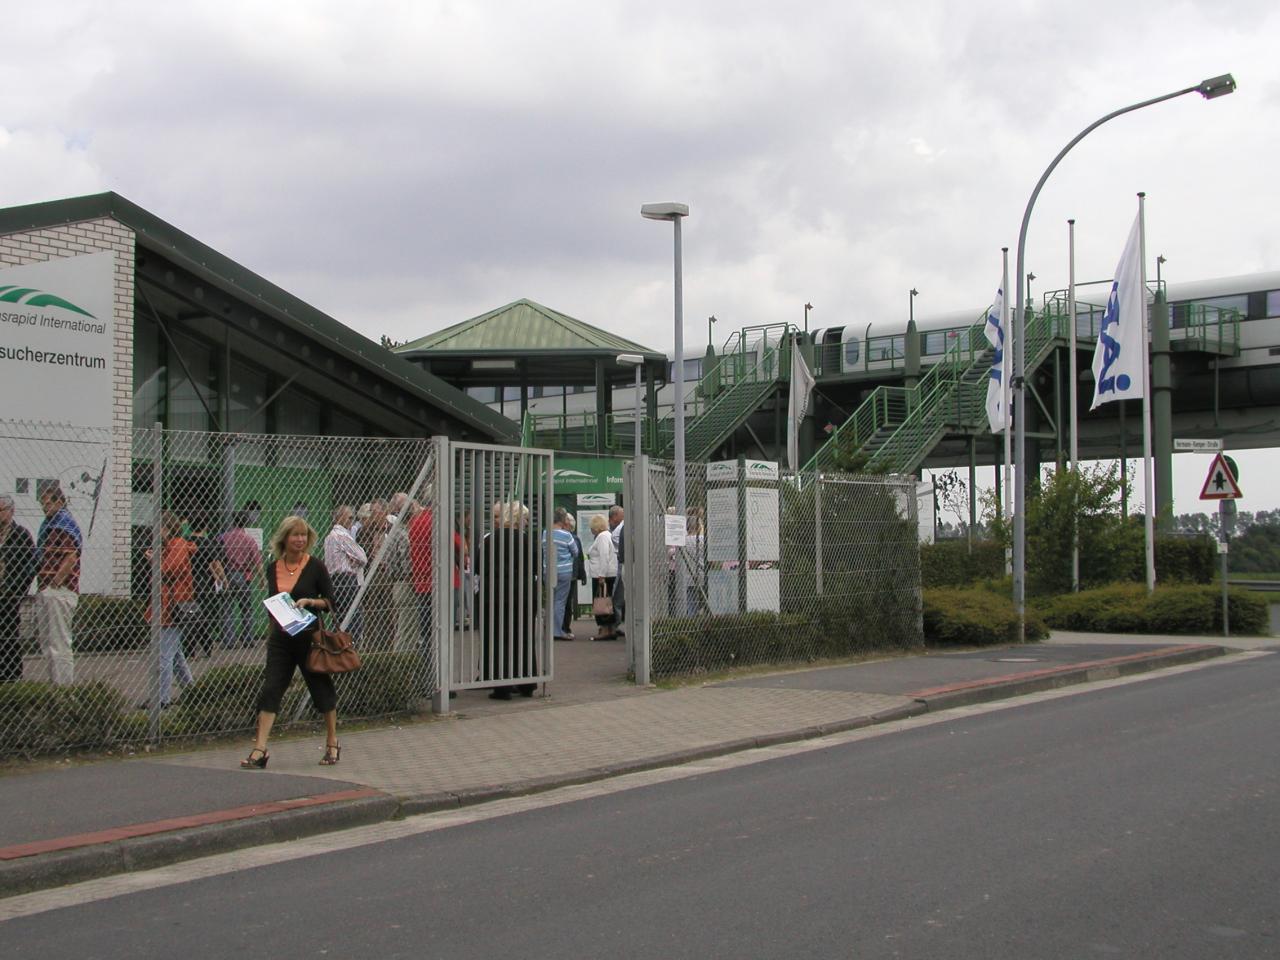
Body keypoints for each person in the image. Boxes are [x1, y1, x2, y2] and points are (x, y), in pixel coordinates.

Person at [242, 515, 339, 769]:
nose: (299, 539)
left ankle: (332, 742)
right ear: (284, 538)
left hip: (309, 638)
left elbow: (330, 601)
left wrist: (310, 602)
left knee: (321, 690)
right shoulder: (273, 567)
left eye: (303, 535)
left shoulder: (316, 566)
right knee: (270, 689)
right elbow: (272, 599)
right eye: (295, 535)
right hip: (281, 639)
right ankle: (259, 749)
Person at [474, 500, 537, 699]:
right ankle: (527, 681)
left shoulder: (489, 540)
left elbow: (477, 567)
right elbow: (535, 567)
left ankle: (501, 685)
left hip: (493, 596)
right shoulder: (527, 540)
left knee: (495, 639)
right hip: (523, 596)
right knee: (523, 637)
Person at [142, 511, 196, 708]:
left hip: (172, 606)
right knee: (175, 654)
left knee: (164, 655)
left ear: (167, 528)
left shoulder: (178, 545)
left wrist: (154, 560)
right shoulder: (171, 546)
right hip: (168, 604)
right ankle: (192, 692)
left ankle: (161, 699)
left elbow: (169, 569)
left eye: (160, 528)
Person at [34, 482, 80, 685]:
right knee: (49, 642)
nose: (45, 508)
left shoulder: (64, 524)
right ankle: (55, 684)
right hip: (48, 588)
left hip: (59, 590)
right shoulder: (50, 525)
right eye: (42, 504)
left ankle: (63, 687)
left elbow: (71, 557)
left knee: (59, 642)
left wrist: (56, 582)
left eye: (48, 503)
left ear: (59, 502)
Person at [0, 495, 36, 682]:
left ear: (11, 511)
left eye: (1, 510)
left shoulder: (20, 535)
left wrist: (16, 589)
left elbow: (30, 566)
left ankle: (12, 676)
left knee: (8, 634)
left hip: (9, 595)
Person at [185, 512, 227, 657]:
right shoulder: (209, 543)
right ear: (206, 526)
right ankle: (207, 644)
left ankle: (190, 648)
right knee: (205, 614)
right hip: (205, 581)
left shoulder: (186, 541)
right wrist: (223, 579)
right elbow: (215, 563)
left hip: (189, 581)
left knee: (190, 614)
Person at [324, 504, 367, 641]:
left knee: (340, 618)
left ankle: (338, 646)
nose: (352, 520)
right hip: (346, 579)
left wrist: (352, 559)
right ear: (340, 518)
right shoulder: (342, 535)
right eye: (349, 517)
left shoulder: (330, 536)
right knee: (353, 618)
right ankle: (350, 647)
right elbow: (362, 557)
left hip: (334, 580)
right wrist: (354, 561)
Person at [220, 511, 263, 648]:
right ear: (247, 523)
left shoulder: (223, 537)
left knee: (227, 608)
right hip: (244, 575)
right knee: (246, 608)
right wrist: (262, 578)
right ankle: (248, 639)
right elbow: (257, 561)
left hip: (227, 574)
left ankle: (229, 640)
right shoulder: (249, 540)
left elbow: (216, 555)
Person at [548, 507, 579, 641]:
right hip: (564, 571)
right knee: (560, 602)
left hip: (548, 571)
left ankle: (549, 628)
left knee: (551, 600)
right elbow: (575, 552)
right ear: (563, 520)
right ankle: (557, 631)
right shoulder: (567, 535)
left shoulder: (545, 533)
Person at [586, 513, 618, 640]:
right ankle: (610, 629)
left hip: (603, 575)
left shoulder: (602, 537)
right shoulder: (608, 535)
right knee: (608, 602)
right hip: (608, 573)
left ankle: (604, 629)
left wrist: (601, 575)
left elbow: (604, 556)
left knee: (601, 602)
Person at [562, 514, 586, 636]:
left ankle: (562, 627)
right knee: (567, 602)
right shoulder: (575, 539)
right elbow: (579, 557)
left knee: (562, 602)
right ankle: (565, 627)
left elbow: (579, 557)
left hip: (565, 574)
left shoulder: (557, 536)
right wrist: (582, 575)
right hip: (571, 575)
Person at [608, 505, 625, 637]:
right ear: (615, 516)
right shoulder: (618, 531)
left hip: (618, 565)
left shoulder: (618, 529)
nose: (623, 516)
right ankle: (615, 623)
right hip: (617, 566)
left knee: (619, 596)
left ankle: (616, 623)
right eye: (621, 514)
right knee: (617, 596)